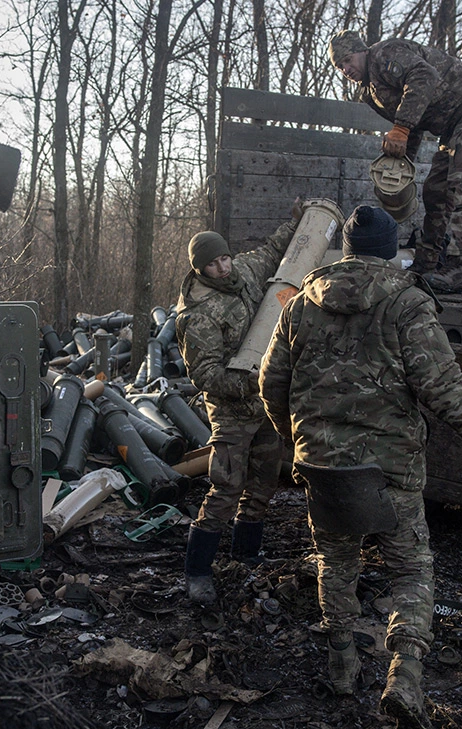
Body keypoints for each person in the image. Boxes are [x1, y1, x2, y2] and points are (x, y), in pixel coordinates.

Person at [258, 205, 462, 727]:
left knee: (335, 563)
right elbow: (443, 387)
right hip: (390, 472)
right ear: (391, 251)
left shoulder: (299, 305)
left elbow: (270, 383)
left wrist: (299, 442)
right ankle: (405, 674)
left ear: (345, 248)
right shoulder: (407, 304)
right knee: (410, 569)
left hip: (322, 466)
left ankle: (342, 661)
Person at [174, 199, 310, 605]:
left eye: (226, 259)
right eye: (214, 264)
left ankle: (245, 556)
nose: (224, 268)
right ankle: (197, 571)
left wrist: (297, 220)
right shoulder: (197, 314)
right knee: (225, 489)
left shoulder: (245, 271)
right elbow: (205, 377)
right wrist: (253, 382)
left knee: (264, 484)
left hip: (263, 405)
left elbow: (271, 251)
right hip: (232, 410)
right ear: (201, 268)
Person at [328, 29, 462, 294]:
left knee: (461, 183)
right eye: (339, 65)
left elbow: (425, 77)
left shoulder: (384, 54)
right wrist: (402, 165)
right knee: (435, 191)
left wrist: (400, 128)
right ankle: (426, 263)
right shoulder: (369, 92)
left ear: (362, 51)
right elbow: (412, 120)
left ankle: (458, 268)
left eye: (347, 59)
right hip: (449, 124)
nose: (345, 68)